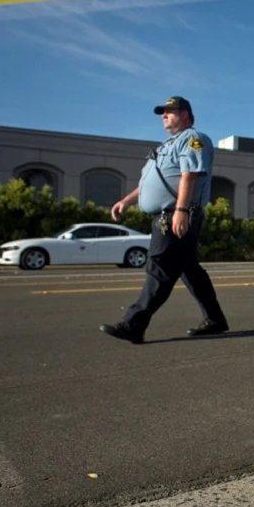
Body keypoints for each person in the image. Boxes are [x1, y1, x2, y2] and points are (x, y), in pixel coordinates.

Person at [100, 96, 230, 344]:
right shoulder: (164, 146)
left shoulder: (194, 138)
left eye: (170, 111)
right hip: (168, 214)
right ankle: (215, 319)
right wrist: (127, 201)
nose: (164, 115)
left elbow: (188, 175)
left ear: (185, 115)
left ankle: (133, 325)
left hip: (175, 215)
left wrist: (180, 210)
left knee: (160, 267)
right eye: (163, 112)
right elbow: (152, 182)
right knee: (189, 270)